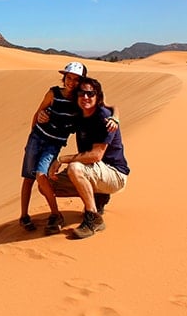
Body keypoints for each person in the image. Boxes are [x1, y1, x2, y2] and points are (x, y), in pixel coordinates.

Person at [19, 62, 119, 234]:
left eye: (76, 79)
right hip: (36, 139)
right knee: (29, 178)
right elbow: (38, 113)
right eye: (69, 78)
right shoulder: (54, 93)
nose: (71, 82)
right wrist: (34, 133)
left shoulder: (80, 101)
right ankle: (24, 216)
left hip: (54, 144)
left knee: (41, 175)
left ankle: (56, 214)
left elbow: (111, 107)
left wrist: (115, 117)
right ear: (64, 78)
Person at [48, 77, 130, 239]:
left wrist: (62, 159)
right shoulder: (80, 115)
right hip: (94, 171)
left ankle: (93, 218)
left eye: (90, 93)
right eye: (81, 93)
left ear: (97, 97)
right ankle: (98, 197)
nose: (85, 97)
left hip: (115, 175)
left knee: (75, 167)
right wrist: (43, 114)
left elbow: (96, 155)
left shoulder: (104, 118)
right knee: (48, 183)